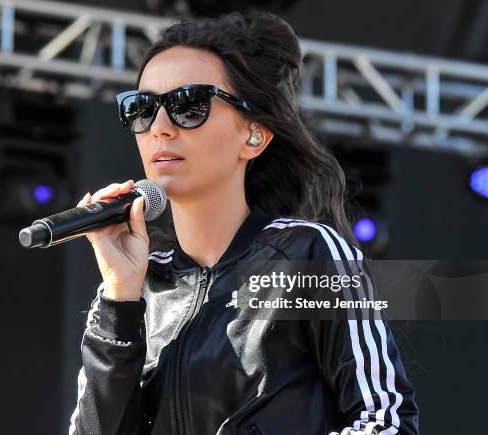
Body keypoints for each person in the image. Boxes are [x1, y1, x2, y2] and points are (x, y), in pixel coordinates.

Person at [68, 11, 419, 435]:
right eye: (141, 109)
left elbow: (385, 421)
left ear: (254, 134)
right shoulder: (138, 291)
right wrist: (120, 298)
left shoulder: (306, 255)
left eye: (188, 105)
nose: (159, 128)